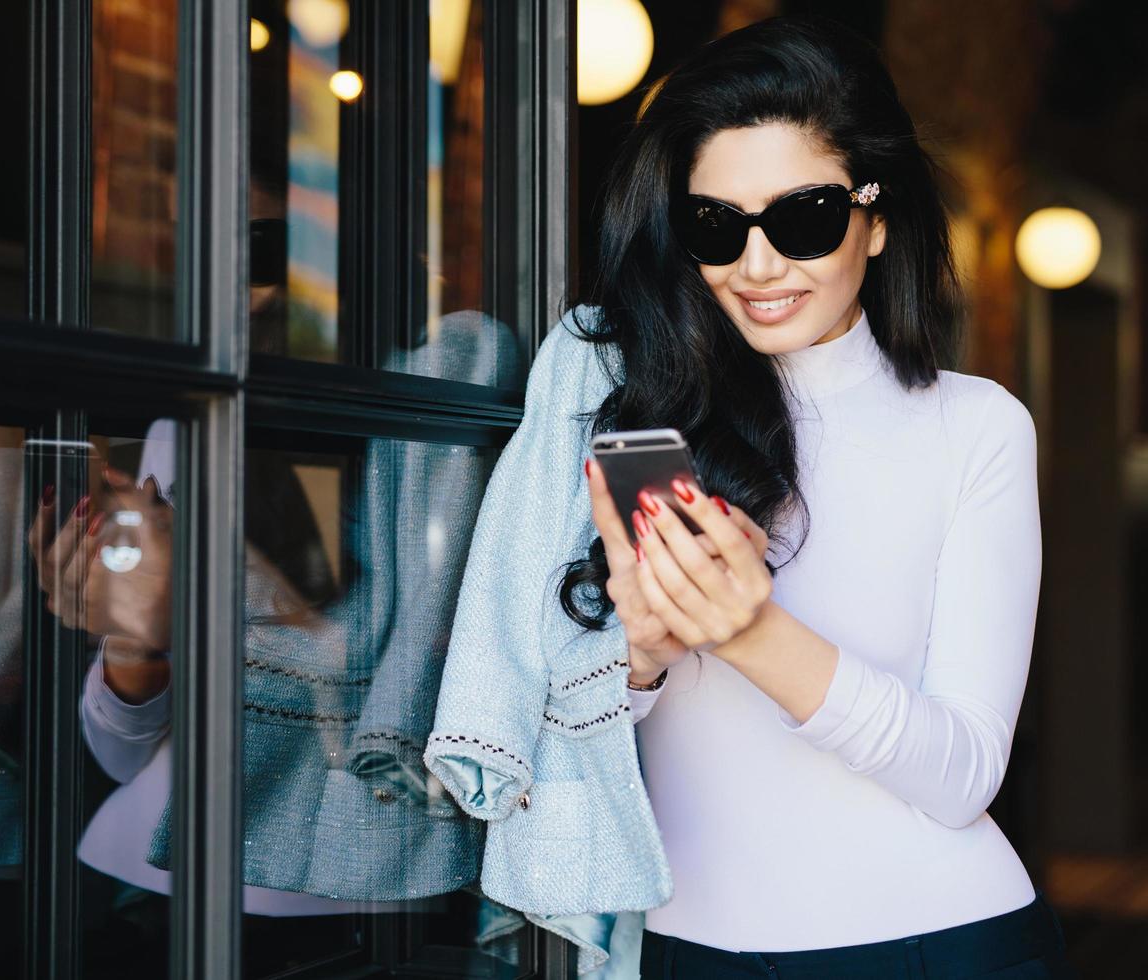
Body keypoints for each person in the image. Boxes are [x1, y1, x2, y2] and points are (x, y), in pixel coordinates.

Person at [426, 14, 1073, 979]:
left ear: (878, 215)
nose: (758, 266)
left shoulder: (975, 428)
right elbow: (555, 724)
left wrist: (747, 632)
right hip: (685, 950)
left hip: (932, 947)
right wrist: (641, 654)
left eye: (804, 218)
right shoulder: (622, 396)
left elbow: (964, 775)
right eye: (716, 226)